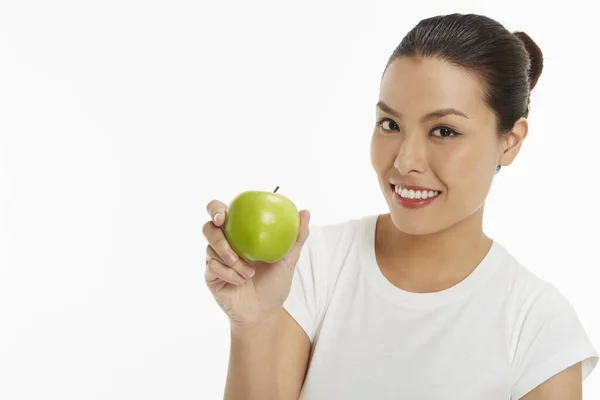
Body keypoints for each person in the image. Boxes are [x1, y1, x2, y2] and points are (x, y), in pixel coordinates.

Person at [203, 13, 598, 400]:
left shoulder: (538, 327)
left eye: (444, 131)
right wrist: (253, 323)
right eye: (390, 125)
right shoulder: (310, 266)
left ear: (509, 141)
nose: (405, 161)